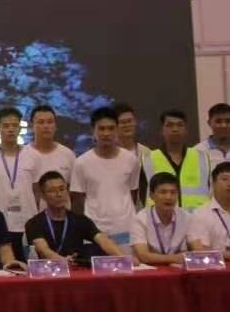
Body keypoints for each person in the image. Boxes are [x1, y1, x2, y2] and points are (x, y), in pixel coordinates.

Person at [70, 107, 140, 245]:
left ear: (117, 129)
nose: (106, 133)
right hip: (94, 231)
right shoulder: (82, 162)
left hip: (125, 229)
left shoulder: (131, 159)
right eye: (101, 129)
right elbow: (78, 198)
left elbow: (133, 192)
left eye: (111, 128)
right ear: (93, 131)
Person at [0, 107, 40, 260]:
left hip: (28, 221)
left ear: (20, 128)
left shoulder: (33, 155)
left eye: (15, 125)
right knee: (3, 266)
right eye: (6, 126)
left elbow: (37, 191)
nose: (11, 130)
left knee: (29, 266)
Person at [27, 172, 123, 261]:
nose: (59, 194)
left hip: (77, 269)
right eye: (52, 191)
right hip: (48, 270)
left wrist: (123, 258)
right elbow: (43, 250)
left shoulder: (80, 220)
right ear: (43, 195)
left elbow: (103, 240)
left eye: (62, 189)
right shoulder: (34, 223)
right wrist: (63, 261)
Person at [144, 110, 211, 211]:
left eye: (180, 125)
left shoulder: (202, 158)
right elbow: (142, 197)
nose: (175, 129)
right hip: (161, 219)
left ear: (186, 130)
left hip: (197, 218)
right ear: (162, 130)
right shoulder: (148, 159)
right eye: (169, 125)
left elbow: (211, 192)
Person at [129, 174, 192, 266]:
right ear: (151, 195)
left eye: (173, 192)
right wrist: (174, 258)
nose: (168, 197)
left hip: (177, 269)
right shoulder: (140, 219)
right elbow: (143, 256)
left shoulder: (186, 217)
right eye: (163, 192)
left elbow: (190, 250)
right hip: (149, 270)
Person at [24, 104, 76, 189]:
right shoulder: (22, 155)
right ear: (32, 126)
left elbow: (73, 189)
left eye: (50, 122)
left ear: (55, 126)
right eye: (41, 122)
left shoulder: (68, 155)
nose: (46, 126)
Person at [112, 102, 152, 207]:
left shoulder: (146, 152)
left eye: (130, 121)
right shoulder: (107, 153)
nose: (127, 125)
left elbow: (151, 184)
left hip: (140, 210)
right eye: (122, 122)